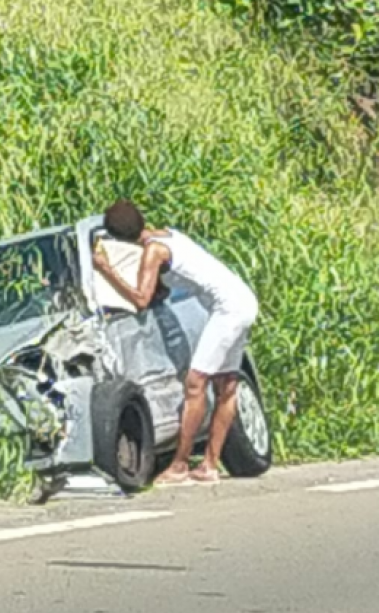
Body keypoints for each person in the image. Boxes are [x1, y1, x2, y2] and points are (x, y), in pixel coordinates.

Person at [92, 199, 259, 485]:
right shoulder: (168, 236)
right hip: (243, 300)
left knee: (195, 384)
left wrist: (107, 269)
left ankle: (180, 465)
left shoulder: (152, 252)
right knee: (227, 385)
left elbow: (141, 300)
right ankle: (209, 465)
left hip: (226, 309)